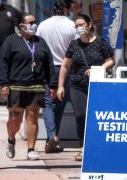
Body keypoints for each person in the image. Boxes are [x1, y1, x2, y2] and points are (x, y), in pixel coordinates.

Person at [0, 14, 57, 160]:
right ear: (22, 25)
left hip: (36, 85)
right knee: (15, 118)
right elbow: (3, 63)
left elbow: (49, 64)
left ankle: (31, 149)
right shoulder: (10, 41)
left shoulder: (40, 42)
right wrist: (4, 83)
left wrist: (53, 85)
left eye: (35, 22)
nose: (34, 24)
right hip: (16, 85)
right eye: (31, 22)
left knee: (32, 117)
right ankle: (11, 139)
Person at [57, 14, 115, 161]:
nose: (79, 28)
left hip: (98, 85)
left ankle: (97, 147)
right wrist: (60, 86)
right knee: (80, 116)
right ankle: (83, 147)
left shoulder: (101, 42)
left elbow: (111, 61)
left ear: (89, 24)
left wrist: (99, 69)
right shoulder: (74, 44)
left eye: (82, 24)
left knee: (96, 117)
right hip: (77, 84)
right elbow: (64, 66)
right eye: (76, 26)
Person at [36, 0, 77, 153]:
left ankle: (52, 137)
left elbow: (37, 46)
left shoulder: (43, 25)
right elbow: (77, 49)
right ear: (67, 9)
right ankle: (53, 136)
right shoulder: (72, 26)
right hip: (65, 69)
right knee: (59, 103)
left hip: (47, 68)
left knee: (48, 102)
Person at [0, 0, 23, 105]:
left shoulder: (11, 10)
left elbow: (21, 24)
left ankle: (3, 99)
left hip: (7, 50)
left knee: (5, 75)